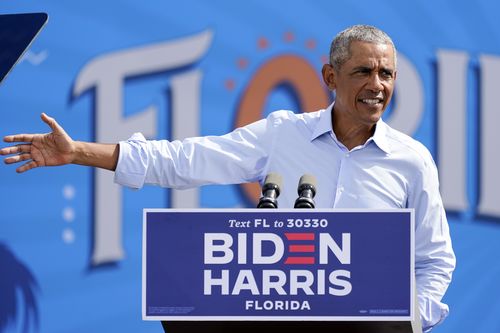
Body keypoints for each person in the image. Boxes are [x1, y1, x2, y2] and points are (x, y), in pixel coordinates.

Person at [1, 25, 455, 332]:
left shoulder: (412, 160)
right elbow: (184, 160)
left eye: (387, 73)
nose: (377, 84)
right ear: (331, 76)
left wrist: (410, 321)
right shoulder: (283, 133)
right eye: (364, 71)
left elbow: (434, 261)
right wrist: (79, 151)